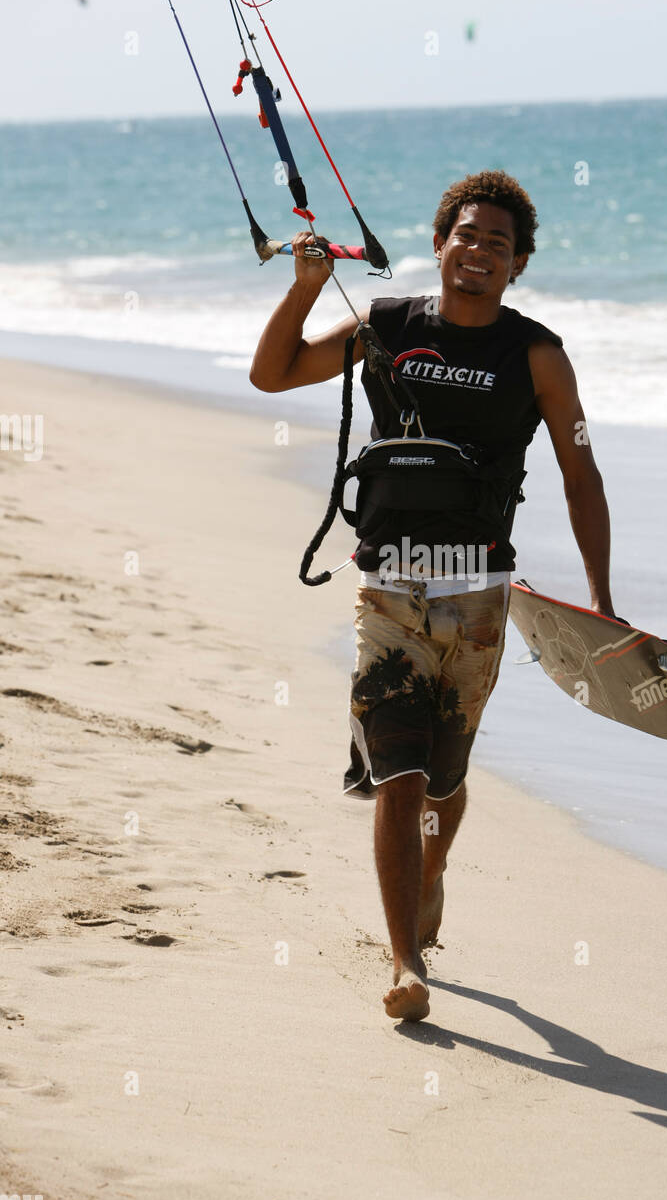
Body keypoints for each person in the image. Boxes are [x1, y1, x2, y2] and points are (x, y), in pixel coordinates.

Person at [250, 170, 616, 1022]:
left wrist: (598, 596)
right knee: (399, 774)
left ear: (517, 264)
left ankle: (431, 869)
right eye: (466, 234)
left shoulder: (537, 355)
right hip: (387, 588)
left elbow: (579, 469)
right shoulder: (385, 326)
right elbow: (274, 375)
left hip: (479, 597)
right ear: (440, 240)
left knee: (443, 784)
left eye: (498, 243)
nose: (478, 251)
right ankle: (406, 960)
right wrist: (305, 290)